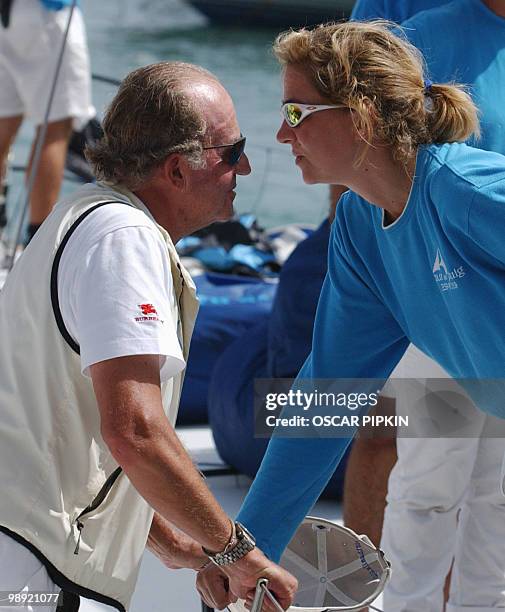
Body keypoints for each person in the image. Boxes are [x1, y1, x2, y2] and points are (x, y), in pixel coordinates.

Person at [197, 19, 505, 607]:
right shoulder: (361, 230)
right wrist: (241, 548)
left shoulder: (471, 194)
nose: (281, 137)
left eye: (295, 114)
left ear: (360, 115)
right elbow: (324, 401)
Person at [0, 61, 297, 612]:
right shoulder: (126, 239)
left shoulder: (83, 213)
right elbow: (134, 430)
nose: (247, 166)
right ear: (176, 171)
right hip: (33, 563)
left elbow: (87, 428)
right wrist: (234, 551)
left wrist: (182, 542)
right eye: (232, 153)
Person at [345, 3, 505, 611]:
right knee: (426, 486)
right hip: (438, 299)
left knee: (498, 495)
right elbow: (365, 163)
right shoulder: (425, 36)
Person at [0, 0, 95, 242]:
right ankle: (38, 240)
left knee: (4, 124)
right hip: (46, 12)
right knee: (55, 128)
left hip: (7, 16)